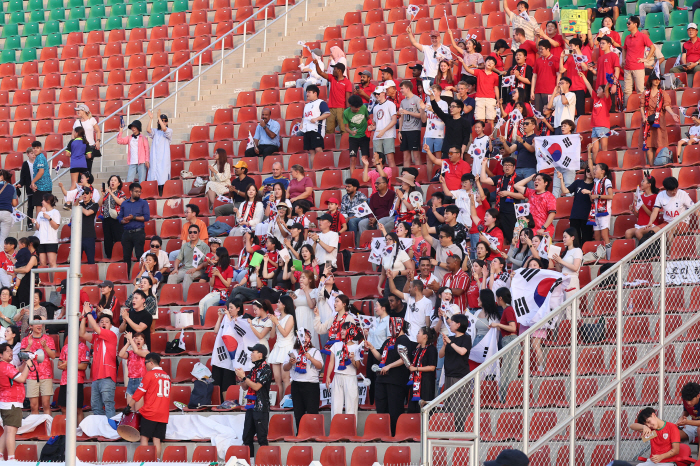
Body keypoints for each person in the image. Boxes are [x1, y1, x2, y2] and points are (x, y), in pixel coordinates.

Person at [365, 317, 413, 436]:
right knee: (381, 409)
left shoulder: (404, 340)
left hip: (395, 381)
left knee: (394, 410)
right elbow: (381, 357)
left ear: (399, 326)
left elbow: (405, 360)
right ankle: (382, 433)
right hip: (382, 380)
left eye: (392, 326)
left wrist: (389, 366)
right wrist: (371, 348)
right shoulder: (388, 341)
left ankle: (396, 434)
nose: (390, 329)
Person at [129, 353, 171, 461]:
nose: (145, 365)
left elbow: (139, 393)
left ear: (151, 362)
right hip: (163, 413)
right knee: (157, 440)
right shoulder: (167, 375)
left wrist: (128, 406)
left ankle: (145, 461)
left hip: (150, 412)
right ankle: (156, 462)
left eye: (145, 363)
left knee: (144, 438)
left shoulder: (149, 375)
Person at [79, 307, 117, 420]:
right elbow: (82, 333)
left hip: (107, 376)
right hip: (95, 377)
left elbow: (94, 327)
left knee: (108, 405)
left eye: (106, 322)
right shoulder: (96, 337)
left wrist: (89, 313)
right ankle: (101, 432)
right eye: (101, 321)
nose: (104, 323)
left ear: (111, 326)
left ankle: (111, 432)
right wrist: (83, 317)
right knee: (96, 407)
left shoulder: (111, 335)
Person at [237, 344, 273, 458]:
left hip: (261, 408)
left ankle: (265, 462)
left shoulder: (266, 369)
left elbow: (257, 387)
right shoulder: (254, 369)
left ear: (260, 355)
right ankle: (250, 462)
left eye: (253, 352)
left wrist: (244, 378)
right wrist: (240, 379)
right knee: (246, 437)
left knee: (262, 438)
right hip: (251, 407)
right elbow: (245, 387)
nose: (251, 354)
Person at [0, 342, 34, 461]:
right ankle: (11, 458)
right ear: (0, 355)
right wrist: (28, 366)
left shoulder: (4, 366)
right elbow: (22, 378)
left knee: (7, 430)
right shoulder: (6, 366)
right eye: (7, 351)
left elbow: (18, 370)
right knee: (11, 431)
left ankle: (0, 456)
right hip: (12, 402)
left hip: (6, 402)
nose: (10, 353)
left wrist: (25, 362)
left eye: (11, 350)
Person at [284, 327, 322, 430]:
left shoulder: (315, 351)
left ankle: (313, 433)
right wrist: (290, 363)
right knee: (298, 411)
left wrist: (310, 358)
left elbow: (320, 366)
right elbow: (285, 368)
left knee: (312, 410)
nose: (304, 339)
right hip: (297, 384)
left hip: (311, 384)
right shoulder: (293, 352)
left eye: (306, 336)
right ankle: (300, 433)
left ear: (310, 338)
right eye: (301, 336)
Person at [640, 73, 680, 166]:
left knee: (660, 142)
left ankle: (661, 164)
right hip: (647, 120)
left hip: (659, 120)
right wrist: (643, 117)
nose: (657, 81)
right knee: (649, 144)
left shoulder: (663, 93)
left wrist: (673, 114)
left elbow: (666, 106)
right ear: (651, 80)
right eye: (655, 79)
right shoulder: (645, 93)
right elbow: (642, 107)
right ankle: (651, 165)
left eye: (659, 79)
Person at [439, 314, 471, 430]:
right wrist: (445, 344)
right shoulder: (450, 339)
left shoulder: (466, 338)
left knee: (461, 405)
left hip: (460, 376)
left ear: (458, 324)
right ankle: (450, 429)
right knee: (449, 405)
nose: (450, 324)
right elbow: (441, 354)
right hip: (448, 375)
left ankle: (462, 429)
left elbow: (462, 351)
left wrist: (450, 343)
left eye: (452, 322)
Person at [20, 315, 55, 414]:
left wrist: (45, 347)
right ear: (31, 326)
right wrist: (29, 345)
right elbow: (23, 357)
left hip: (46, 375)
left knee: (46, 404)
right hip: (31, 375)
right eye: (36, 324)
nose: (39, 325)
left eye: (40, 323)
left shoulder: (49, 339)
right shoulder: (26, 340)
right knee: (33, 406)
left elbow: (53, 356)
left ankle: (48, 428)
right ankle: (35, 428)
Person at [327, 322, 362, 419]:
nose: (341, 331)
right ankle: (335, 431)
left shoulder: (356, 347)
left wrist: (352, 359)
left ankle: (351, 431)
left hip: (350, 377)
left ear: (351, 331)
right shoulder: (336, 345)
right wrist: (328, 377)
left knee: (351, 406)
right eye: (341, 329)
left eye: (344, 329)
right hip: (337, 376)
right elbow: (331, 363)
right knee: (335, 406)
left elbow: (357, 366)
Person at [168, 224, 210, 301]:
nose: (192, 234)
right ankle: (170, 300)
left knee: (188, 275)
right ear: (188, 234)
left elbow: (206, 263)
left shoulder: (204, 246)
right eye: (190, 232)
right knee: (172, 276)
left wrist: (195, 269)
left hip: (198, 269)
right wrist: (176, 269)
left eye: (195, 232)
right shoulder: (184, 246)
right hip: (185, 268)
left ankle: (185, 300)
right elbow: (178, 259)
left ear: (198, 233)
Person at [118, 183, 150, 277]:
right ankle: (126, 277)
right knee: (126, 256)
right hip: (126, 233)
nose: (138, 193)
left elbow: (147, 217)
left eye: (140, 192)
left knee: (140, 255)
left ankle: (141, 276)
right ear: (131, 192)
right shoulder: (124, 203)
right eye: (136, 192)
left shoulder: (143, 203)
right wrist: (123, 221)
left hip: (138, 232)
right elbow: (119, 218)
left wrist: (133, 217)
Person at [584, 151, 614, 247]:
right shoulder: (596, 180)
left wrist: (597, 196)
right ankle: (601, 256)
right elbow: (589, 164)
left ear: (602, 171)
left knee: (604, 236)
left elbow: (611, 196)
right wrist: (589, 151)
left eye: (596, 169)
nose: (594, 170)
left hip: (604, 212)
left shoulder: (607, 181)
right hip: (596, 212)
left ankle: (609, 257)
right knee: (596, 237)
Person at [559, 166, 595, 246]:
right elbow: (565, 191)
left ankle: (585, 256)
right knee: (575, 239)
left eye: (592, 171)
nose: (589, 172)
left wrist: (589, 192)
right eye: (588, 170)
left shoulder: (595, 184)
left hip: (588, 216)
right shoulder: (578, 182)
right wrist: (561, 179)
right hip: (575, 215)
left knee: (587, 239)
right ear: (585, 171)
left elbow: (594, 199)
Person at [623, 17, 655, 106]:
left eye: (629, 23)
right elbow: (624, 49)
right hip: (627, 67)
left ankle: (641, 107)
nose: (627, 25)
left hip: (638, 67)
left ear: (635, 24)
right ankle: (627, 107)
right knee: (627, 90)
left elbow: (652, 47)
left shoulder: (642, 36)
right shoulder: (627, 37)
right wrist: (623, 60)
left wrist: (646, 59)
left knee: (640, 90)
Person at [551, 228, 583, 315]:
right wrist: (557, 262)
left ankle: (574, 326)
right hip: (563, 280)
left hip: (572, 280)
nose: (563, 239)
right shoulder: (566, 252)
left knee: (572, 306)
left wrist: (561, 261)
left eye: (565, 237)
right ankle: (566, 326)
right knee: (564, 307)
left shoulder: (577, 250)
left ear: (572, 237)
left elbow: (575, 268)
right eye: (563, 237)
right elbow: (560, 270)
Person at [581, 72, 612, 162]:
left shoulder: (606, 99)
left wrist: (608, 82)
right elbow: (589, 87)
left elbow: (606, 90)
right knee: (595, 149)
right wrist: (583, 77)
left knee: (604, 148)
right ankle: (595, 165)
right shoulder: (595, 98)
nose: (597, 90)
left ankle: (604, 165)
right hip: (594, 127)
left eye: (599, 89)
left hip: (603, 126)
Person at [515, 173, 556, 238]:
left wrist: (543, 228)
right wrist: (530, 177)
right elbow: (516, 185)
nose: (536, 181)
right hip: (531, 229)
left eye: (539, 180)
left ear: (546, 183)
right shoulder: (531, 192)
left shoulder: (549, 196)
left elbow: (552, 214)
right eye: (535, 180)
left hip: (543, 230)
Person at [314, 61, 351, 134]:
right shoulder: (332, 78)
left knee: (344, 130)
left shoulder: (347, 82)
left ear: (339, 71)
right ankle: (329, 145)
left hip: (342, 109)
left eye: (335, 69)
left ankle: (345, 145)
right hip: (331, 109)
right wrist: (316, 64)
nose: (333, 70)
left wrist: (347, 111)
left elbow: (348, 98)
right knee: (328, 130)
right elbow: (320, 73)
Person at [461, 57, 500, 126]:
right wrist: (462, 62)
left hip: (491, 99)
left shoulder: (495, 75)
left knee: (490, 119)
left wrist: (498, 100)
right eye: (488, 61)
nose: (490, 64)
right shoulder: (479, 72)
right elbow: (468, 70)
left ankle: (490, 136)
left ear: (494, 66)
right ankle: (481, 136)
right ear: (485, 63)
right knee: (480, 119)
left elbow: (496, 88)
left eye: (492, 63)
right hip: (480, 98)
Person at [501, 118, 538, 189]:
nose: (524, 125)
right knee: (517, 190)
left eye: (527, 124)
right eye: (524, 124)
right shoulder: (520, 139)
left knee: (531, 190)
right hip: (518, 168)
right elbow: (509, 150)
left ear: (533, 126)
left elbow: (532, 149)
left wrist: (522, 141)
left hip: (530, 168)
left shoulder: (535, 137)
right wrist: (504, 142)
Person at [357, 177, 396, 244]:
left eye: (378, 183)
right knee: (362, 223)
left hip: (387, 217)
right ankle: (365, 244)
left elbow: (390, 211)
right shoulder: (374, 196)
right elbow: (370, 210)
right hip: (375, 217)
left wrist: (376, 219)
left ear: (385, 184)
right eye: (375, 183)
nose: (375, 185)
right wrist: (371, 218)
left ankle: (380, 244)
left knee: (380, 222)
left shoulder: (392, 194)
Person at [118, 331, 148, 411]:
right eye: (136, 338)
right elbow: (121, 354)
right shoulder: (130, 353)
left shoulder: (146, 352)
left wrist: (131, 340)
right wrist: (128, 343)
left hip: (141, 381)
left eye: (141, 339)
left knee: (138, 410)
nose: (138, 340)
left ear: (144, 342)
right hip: (131, 381)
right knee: (130, 410)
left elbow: (137, 352)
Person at [369, 86, 398, 169]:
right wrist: (372, 127)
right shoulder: (375, 107)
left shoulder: (390, 104)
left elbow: (394, 120)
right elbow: (376, 123)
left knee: (390, 158)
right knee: (377, 160)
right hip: (378, 135)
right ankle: (380, 179)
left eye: (378, 94)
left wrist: (383, 131)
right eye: (375, 94)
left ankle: (392, 179)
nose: (376, 95)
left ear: (383, 93)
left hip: (388, 135)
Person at [625, 174, 661, 240]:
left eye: (643, 181)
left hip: (651, 224)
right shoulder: (641, 197)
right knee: (628, 233)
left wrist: (642, 204)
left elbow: (652, 214)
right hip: (640, 225)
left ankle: (646, 250)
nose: (641, 183)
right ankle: (634, 250)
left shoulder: (655, 197)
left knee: (638, 232)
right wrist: (633, 210)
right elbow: (639, 215)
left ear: (649, 184)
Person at [100, 175, 126, 259]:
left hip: (116, 219)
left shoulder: (121, 193)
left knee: (118, 238)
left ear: (118, 183)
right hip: (106, 219)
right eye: (111, 180)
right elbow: (100, 204)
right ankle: (109, 256)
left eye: (115, 180)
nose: (113, 182)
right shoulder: (106, 193)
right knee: (107, 239)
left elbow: (121, 203)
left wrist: (112, 194)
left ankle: (119, 255)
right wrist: (102, 195)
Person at [146, 111, 171, 194]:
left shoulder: (169, 131)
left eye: (165, 120)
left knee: (162, 177)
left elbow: (164, 129)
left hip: (163, 159)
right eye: (161, 120)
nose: (163, 122)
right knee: (154, 176)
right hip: (155, 158)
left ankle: (162, 194)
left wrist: (159, 118)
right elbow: (148, 130)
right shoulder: (155, 132)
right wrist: (151, 119)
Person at [301, 84, 330, 155]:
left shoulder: (321, 102)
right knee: (311, 151)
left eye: (309, 92)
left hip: (316, 129)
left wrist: (316, 119)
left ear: (315, 93)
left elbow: (327, 113)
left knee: (318, 149)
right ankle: (314, 166)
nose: (307, 94)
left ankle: (321, 165)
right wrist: (301, 125)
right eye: (306, 92)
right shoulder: (306, 105)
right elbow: (304, 117)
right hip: (307, 130)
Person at [343, 95, 370, 168]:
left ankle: (365, 176)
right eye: (356, 108)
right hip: (353, 138)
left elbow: (368, 119)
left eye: (359, 107)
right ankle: (352, 178)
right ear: (350, 105)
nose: (358, 109)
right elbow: (346, 127)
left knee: (365, 158)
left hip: (364, 136)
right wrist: (351, 132)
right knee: (352, 158)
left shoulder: (364, 108)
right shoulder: (346, 112)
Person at [34, 194, 60, 271]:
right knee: (42, 263)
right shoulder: (40, 213)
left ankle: (53, 281)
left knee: (52, 263)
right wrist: (35, 222)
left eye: (43, 200)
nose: (42, 202)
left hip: (51, 240)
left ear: (48, 201)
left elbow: (56, 226)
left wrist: (49, 218)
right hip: (41, 240)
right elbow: (38, 228)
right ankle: (43, 281)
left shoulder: (55, 212)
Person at [531, 41, 559, 112]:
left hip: (550, 91)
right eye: (539, 49)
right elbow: (534, 76)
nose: (540, 51)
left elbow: (559, 75)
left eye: (541, 49)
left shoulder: (556, 59)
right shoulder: (538, 61)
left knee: (548, 111)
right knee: (538, 113)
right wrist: (532, 91)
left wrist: (557, 90)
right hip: (538, 91)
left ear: (548, 49)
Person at [73, 103, 101, 173]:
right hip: (80, 147)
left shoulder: (91, 120)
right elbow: (73, 135)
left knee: (88, 167)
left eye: (79, 110)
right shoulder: (77, 122)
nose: (78, 112)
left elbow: (98, 131)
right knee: (81, 169)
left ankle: (88, 182)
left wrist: (98, 141)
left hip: (90, 146)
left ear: (84, 111)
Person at [29, 142, 53, 222]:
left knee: (39, 209)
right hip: (44, 186)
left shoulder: (40, 158)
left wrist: (33, 182)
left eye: (37, 148)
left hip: (42, 187)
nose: (35, 149)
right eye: (34, 148)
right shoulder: (39, 157)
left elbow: (41, 172)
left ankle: (39, 228)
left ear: (41, 148)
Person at [341, 178, 368, 242]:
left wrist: (350, 218)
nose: (347, 188)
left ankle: (352, 243)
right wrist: (343, 219)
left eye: (349, 187)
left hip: (360, 217)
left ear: (355, 187)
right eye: (346, 187)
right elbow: (343, 211)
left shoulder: (361, 196)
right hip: (348, 216)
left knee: (352, 221)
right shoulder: (345, 197)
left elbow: (363, 212)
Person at [76, 187, 99, 264]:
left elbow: (87, 213)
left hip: (89, 236)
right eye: (83, 193)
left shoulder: (94, 205)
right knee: (76, 261)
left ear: (91, 194)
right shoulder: (80, 204)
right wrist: (78, 200)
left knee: (90, 260)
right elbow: (73, 207)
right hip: (78, 236)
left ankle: (92, 275)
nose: (84, 195)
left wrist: (79, 206)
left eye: (86, 193)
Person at [17, 146, 37, 229]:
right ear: (28, 154)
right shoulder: (25, 164)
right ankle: (30, 223)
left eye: (34, 153)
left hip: (39, 186)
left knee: (40, 205)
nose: (33, 155)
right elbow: (23, 176)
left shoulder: (38, 162)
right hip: (30, 188)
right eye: (31, 153)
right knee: (30, 206)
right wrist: (20, 184)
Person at [0, 170, 17, 247]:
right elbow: (14, 204)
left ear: (2, 176)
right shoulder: (12, 187)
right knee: (3, 239)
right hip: (7, 213)